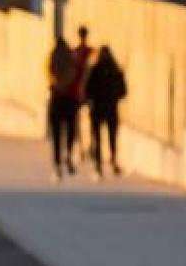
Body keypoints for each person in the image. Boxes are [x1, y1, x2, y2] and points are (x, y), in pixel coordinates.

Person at [84, 45, 128, 177]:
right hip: (111, 108)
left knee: (97, 137)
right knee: (111, 137)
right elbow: (123, 91)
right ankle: (113, 160)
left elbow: (87, 90)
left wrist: (91, 100)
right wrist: (113, 97)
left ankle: (98, 166)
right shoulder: (116, 71)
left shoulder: (94, 70)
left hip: (97, 109)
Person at [45, 37, 77, 180]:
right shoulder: (71, 58)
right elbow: (75, 74)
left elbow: (48, 74)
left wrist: (57, 85)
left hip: (56, 100)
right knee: (70, 130)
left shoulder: (51, 57)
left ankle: (57, 165)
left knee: (57, 135)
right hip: (70, 100)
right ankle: (69, 152)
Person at [68, 26, 94, 166]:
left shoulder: (76, 53)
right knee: (83, 122)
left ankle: (83, 148)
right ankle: (83, 148)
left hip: (78, 92)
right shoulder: (88, 52)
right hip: (84, 93)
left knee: (79, 122)